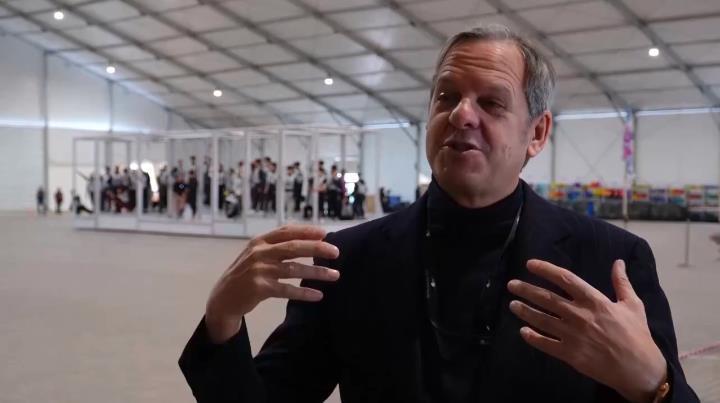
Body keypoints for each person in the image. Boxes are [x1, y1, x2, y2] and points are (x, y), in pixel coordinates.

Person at [180, 25, 697, 402]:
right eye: (447, 96)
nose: (461, 114)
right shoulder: (348, 261)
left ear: (537, 133)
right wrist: (223, 316)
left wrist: (653, 383)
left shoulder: (608, 263)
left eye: (491, 103)